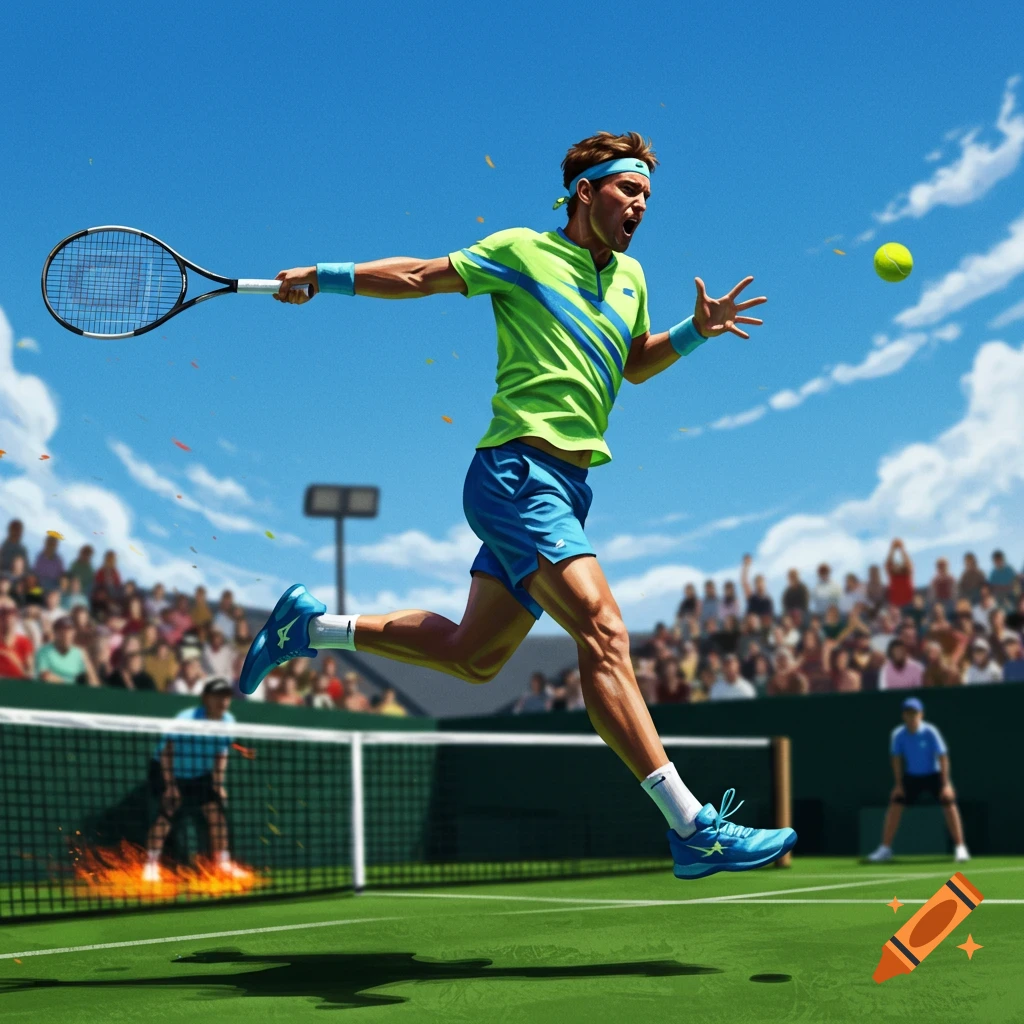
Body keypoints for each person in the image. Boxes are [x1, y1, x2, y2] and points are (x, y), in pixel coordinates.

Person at [240, 133, 795, 878]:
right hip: (515, 472)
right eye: (627, 189)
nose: (639, 204)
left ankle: (311, 626)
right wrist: (325, 275)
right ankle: (691, 826)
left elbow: (630, 365)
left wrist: (696, 331)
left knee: (473, 657)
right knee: (602, 629)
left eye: (647, 197)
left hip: (570, 488)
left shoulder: (631, 276)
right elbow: (417, 276)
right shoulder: (521, 252)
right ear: (584, 191)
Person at [142, 678, 249, 882]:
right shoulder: (186, 718)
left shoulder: (228, 721)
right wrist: (171, 786)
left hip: (199, 774)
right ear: (205, 698)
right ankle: (150, 865)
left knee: (216, 814)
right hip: (168, 769)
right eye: (218, 696)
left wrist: (218, 785)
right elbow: (166, 753)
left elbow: (221, 754)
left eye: (226, 697)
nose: (223, 701)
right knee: (167, 812)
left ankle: (222, 863)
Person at [867, 697, 969, 864]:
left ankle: (960, 847)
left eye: (914, 713)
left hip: (933, 775)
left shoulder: (930, 732)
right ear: (903, 716)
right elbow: (896, 760)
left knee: (949, 802)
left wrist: (946, 784)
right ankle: (885, 849)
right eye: (908, 713)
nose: (911, 717)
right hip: (912, 776)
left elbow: (943, 757)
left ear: (921, 714)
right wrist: (899, 785)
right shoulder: (898, 734)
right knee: (895, 803)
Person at [35, 617, 100, 686]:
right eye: (62, 632)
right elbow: (45, 676)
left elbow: (93, 681)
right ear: (55, 633)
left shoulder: (79, 653)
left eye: (70, 632)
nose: (66, 635)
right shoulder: (44, 651)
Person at [0, 604, 34, 678]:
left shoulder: (23, 641)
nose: (7, 621)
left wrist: (12, 658)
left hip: (17, 684)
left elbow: (29, 671)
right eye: (3, 618)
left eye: (10, 618)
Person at [885, 539, 914, 610]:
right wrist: (892, 549)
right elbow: (889, 563)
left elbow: (908, 563)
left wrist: (902, 549)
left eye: (899, 565)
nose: (897, 566)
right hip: (894, 605)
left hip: (908, 604)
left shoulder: (907, 574)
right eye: (895, 565)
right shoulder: (892, 576)